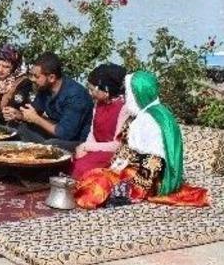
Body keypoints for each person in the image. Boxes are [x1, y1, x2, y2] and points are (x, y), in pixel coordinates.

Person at [75, 71, 209, 209]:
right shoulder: (146, 114)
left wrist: (132, 191)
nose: (126, 98)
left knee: (95, 189)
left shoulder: (151, 120)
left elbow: (154, 162)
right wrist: (114, 169)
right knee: (92, 176)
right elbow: (126, 148)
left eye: (129, 93)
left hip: (150, 179)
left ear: (138, 94)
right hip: (132, 168)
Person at [3, 52, 94, 151]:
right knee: (16, 127)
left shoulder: (76, 95)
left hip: (76, 141)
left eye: (37, 76)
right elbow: (34, 112)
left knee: (50, 145)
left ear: (51, 78)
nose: (33, 79)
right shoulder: (44, 89)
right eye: (32, 75)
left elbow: (65, 134)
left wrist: (36, 119)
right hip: (55, 134)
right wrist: (19, 115)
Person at [70, 63, 130, 179]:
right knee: (71, 161)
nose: (90, 93)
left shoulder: (124, 108)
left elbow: (117, 145)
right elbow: (93, 132)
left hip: (112, 153)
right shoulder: (98, 104)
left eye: (92, 89)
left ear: (106, 90)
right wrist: (85, 149)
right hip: (95, 149)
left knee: (82, 167)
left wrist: (87, 147)